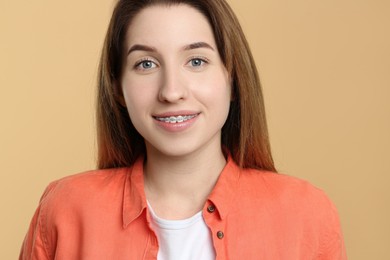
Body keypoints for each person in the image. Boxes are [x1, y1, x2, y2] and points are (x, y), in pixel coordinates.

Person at [19, 0, 346, 259]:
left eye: (196, 61)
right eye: (146, 64)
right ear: (118, 87)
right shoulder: (66, 209)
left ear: (232, 78)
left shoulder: (306, 215)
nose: (172, 91)